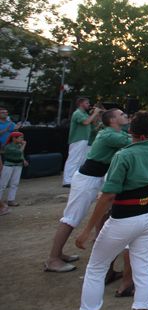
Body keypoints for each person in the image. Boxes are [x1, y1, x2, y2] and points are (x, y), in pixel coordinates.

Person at [75, 111, 148, 310]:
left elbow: (109, 195)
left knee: (95, 269)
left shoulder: (123, 155)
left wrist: (87, 230)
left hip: (124, 217)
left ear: (130, 131)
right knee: (142, 270)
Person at [45, 109, 130, 273]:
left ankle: (63, 253)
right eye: (121, 114)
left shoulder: (113, 133)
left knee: (104, 212)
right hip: (88, 179)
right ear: (112, 120)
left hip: (96, 178)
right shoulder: (109, 135)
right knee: (71, 218)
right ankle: (53, 259)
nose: (125, 115)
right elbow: (131, 141)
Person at [63, 98, 102, 186]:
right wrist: (95, 113)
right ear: (81, 104)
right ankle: (67, 180)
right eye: (87, 103)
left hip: (83, 139)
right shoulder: (78, 113)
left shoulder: (84, 113)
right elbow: (86, 122)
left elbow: (91, 123)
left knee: (79, 160)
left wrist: (96, 115)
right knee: (73, 159)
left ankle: (72, 179)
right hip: (77, 139)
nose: (89, 104)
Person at [0, 131, 28, 209]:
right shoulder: (8, 146)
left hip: (18, 165)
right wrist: (24, 145)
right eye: (20, 137)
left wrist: (23, 160)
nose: (22, 139)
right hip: (9, 166)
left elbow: (21, 154)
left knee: (15, 183)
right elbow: (18, 152)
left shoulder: (19, 145)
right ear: (14, 138)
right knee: (3, 184)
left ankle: (11, 200)